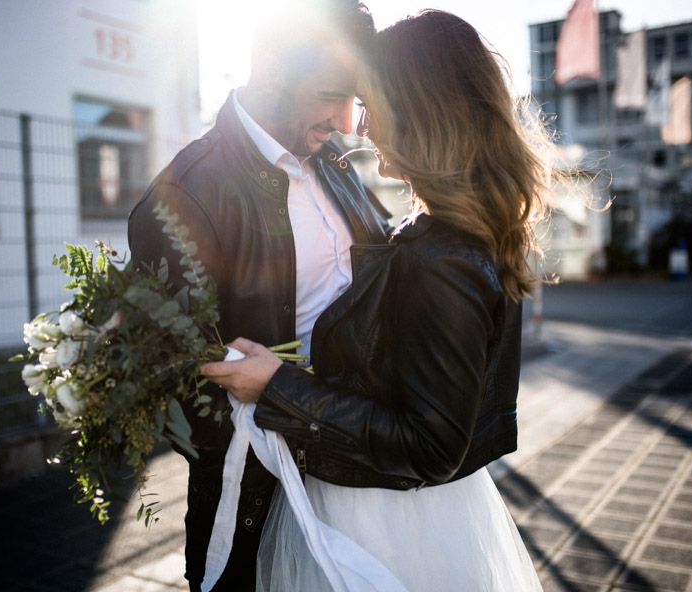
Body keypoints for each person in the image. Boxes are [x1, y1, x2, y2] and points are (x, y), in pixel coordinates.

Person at [200, 9, 554, 591]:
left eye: (370, 106)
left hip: (384, 521)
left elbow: (430, 443)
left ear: (418, 111)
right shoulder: (456, 231)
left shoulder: (442, 257)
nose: (358, 128)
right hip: (415, 513)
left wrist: (276, 387)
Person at [127, 2, 390, 590]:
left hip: (365, 481)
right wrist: (312, 420)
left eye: (357, 100)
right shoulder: (186, 196)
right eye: (331, 94)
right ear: (271, 72)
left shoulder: (335, 163)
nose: (348, 121)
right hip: (262, 506)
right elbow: (188, 400)